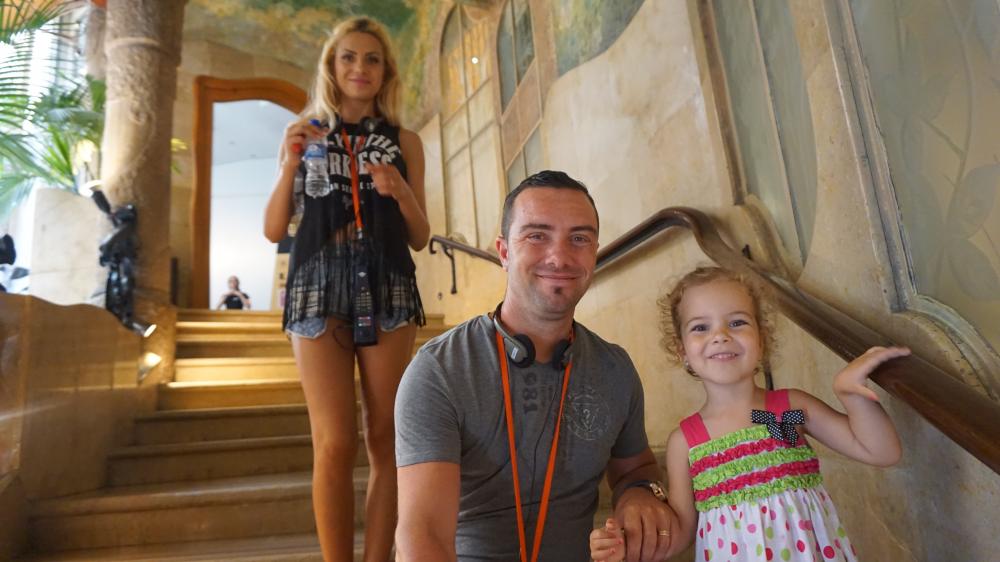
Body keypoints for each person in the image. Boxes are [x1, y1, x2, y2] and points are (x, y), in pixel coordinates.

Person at [394, 170, 680, 562]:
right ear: (503, 252)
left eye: (579, 239)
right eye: (537, 236)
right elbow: (422, 534)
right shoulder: (438, 371)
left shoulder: (615, 369)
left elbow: (638, 468)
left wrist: (640, 494)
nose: (559, 257)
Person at [591, 266, 906, 561]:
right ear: (682, 350)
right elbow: (682, 532)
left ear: (761, 340)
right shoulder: (687, 441)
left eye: (737, 322)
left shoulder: (784, 415)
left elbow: (880, 451)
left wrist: (850, 394)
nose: (720, 335)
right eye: (701, 327)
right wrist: (625, 545)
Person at [262, 16, 429, 562]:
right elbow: (273, 228)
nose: (360, 68)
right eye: (348, 57)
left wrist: (401, 192)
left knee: (386, 438)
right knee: (334, 441)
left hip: (387, 283)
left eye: (372, 59)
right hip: (317, 284)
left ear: (386, 72)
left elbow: (421, 235)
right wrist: (288, 164)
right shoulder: (303, 133)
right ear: (331, 68)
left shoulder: (405, 141)